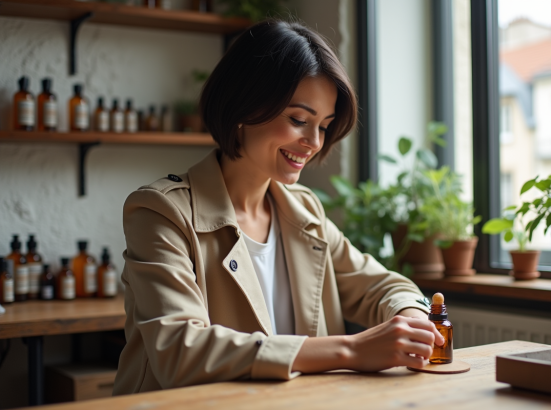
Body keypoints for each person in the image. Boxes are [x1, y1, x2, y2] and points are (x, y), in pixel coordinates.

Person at [113, 19, 444, 395]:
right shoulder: (161, 212)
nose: (313, 142)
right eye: (299, 120)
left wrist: (411, 319)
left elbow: (383, 286)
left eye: (324, 126)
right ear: (244, 106)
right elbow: (178, 351)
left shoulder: (304, 212)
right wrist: (351, 349)